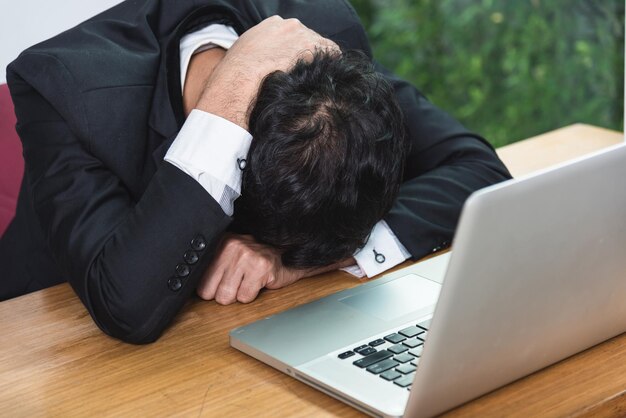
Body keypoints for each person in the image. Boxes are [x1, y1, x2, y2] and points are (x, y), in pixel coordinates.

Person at [0, 0, 511, 344]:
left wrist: (293, 263)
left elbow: (479, 171)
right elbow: (124, 305)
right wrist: (228, 97)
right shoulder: (63, 84)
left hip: (233, 335)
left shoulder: (322, 40)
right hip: (45, 333)